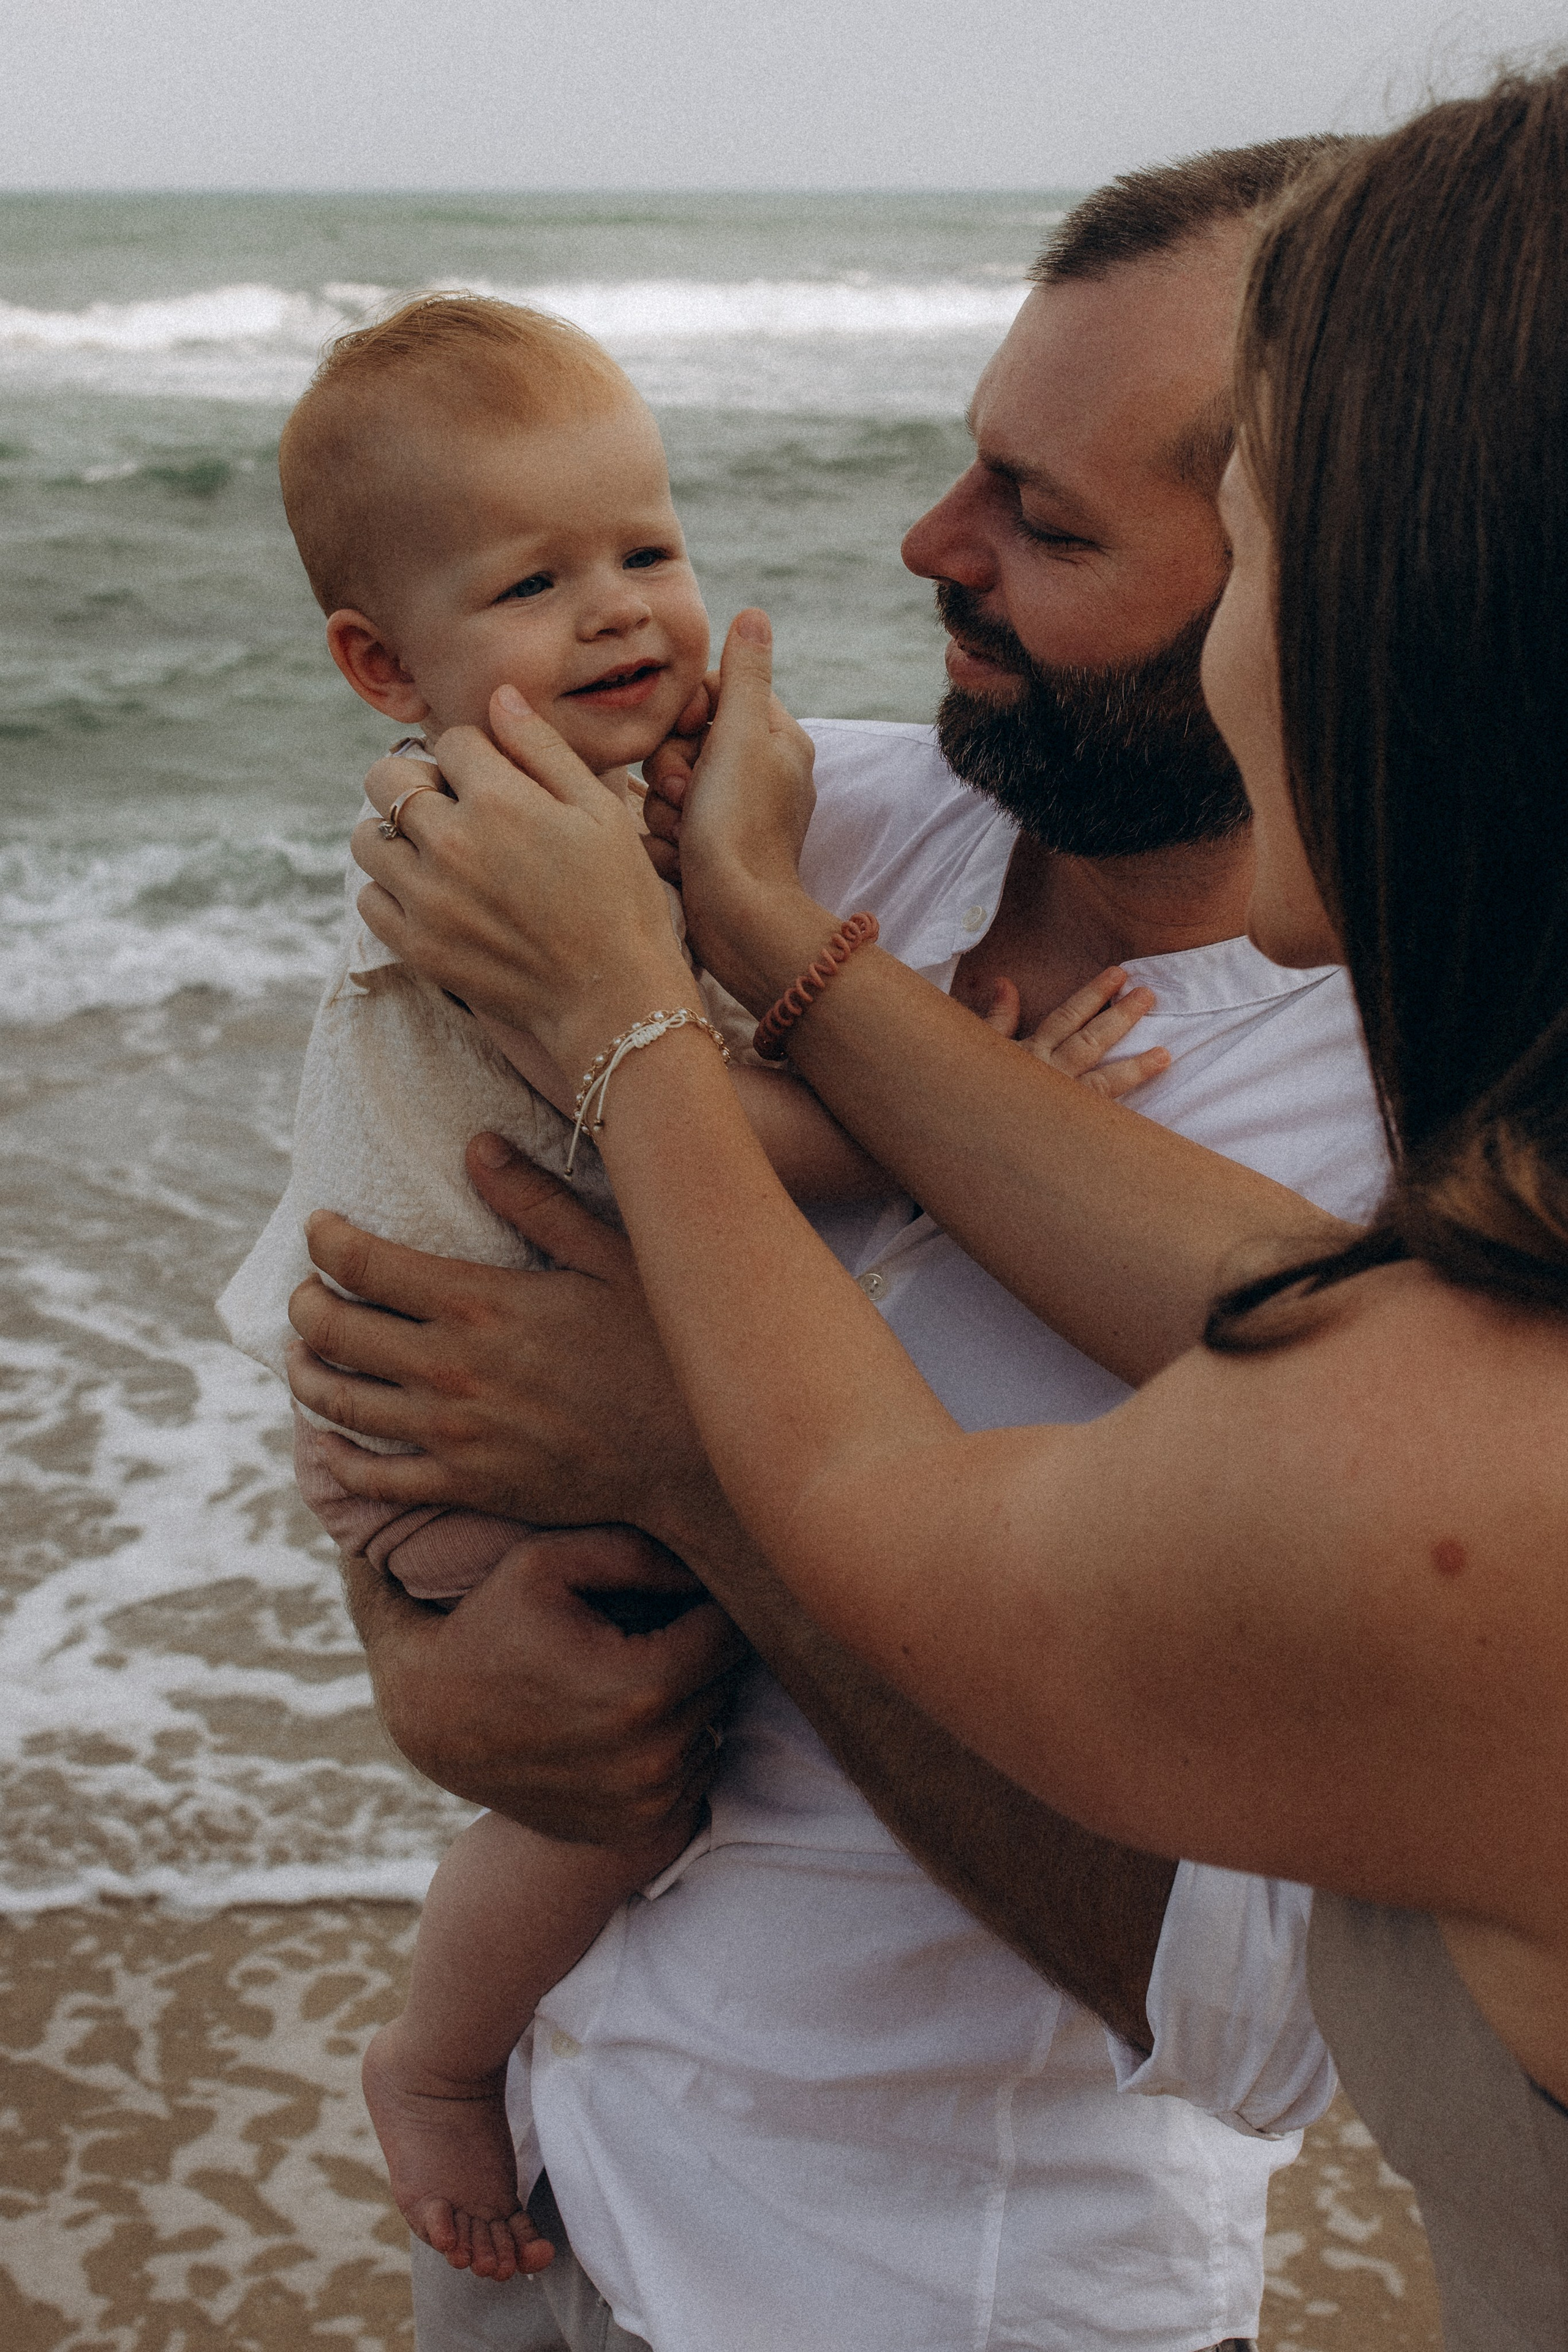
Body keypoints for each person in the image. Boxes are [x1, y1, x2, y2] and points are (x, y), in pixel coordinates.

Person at [319, 72, 1568, 2352]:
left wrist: (670, 1426)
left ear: (1412, 611)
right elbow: (415, 1225)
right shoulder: (801, 827)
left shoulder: (1420, 1164)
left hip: (915, 2291)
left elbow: (1264, 2006)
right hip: (568, 2176)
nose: (919, 549)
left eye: (1053, 519)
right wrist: (430, 1646)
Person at [219, 293, 1166, 2289]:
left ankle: (455, 2051)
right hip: (438, 1440)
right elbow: (686, 1106)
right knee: (617, 1770)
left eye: (645, 550)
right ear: (384, 669)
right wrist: (976, 1103)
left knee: (634, 1732)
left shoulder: (653, 822)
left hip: (918, 2271)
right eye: (536, 582)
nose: (623, 611)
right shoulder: (493, 846)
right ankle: (448, 2057)